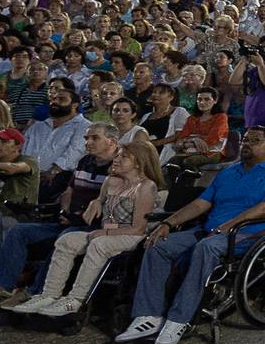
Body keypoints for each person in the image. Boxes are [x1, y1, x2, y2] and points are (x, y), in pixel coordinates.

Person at [115, 125, 265, 344]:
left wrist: (228, 226)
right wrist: (167, 223)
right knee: (158, 244)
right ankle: (147, 316)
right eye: (245, 140)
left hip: (251, 232)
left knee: (207, 248)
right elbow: (202, 203)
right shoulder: (230, 171)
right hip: (212, 229)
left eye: (254, 141)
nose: (247, 144)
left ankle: (179, 319)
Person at [14, 135, 162, 316]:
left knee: (99, 244)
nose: (116, 159)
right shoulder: (110, 181)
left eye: (123, 157)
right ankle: (49, 294)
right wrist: (97, 202)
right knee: (66, 240)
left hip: (132, 236)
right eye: (118, 156)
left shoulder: (146, 187)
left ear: (139, 163)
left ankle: (77, 298)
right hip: (106, 232)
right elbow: (100, 201)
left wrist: (105, 233)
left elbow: (138, 228)